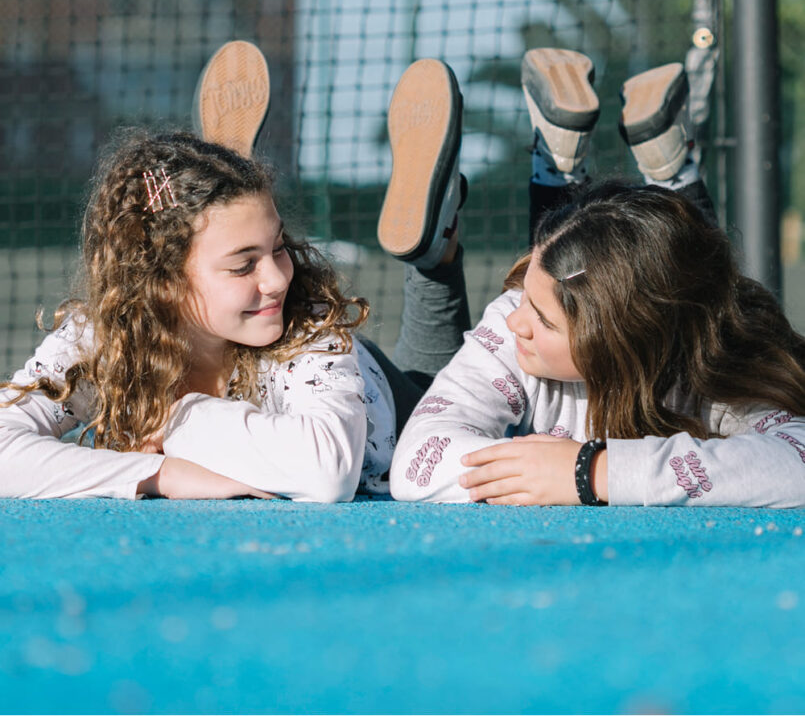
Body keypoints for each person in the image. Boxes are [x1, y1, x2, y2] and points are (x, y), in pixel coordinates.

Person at [0, 41, 429, 501]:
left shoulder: (308, 324)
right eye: (243, 264)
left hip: (415, 414)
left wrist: (175, 420)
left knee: (433, 380)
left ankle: (433, 256)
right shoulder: (102, 339)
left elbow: (328, 473)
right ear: (162, 281)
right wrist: (160, 474)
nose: (278, 279)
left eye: (279, 248)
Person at [384, 48, 805, 507]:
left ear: (620, 336)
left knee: (688, 267)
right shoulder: (509, 326)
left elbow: (796, 462)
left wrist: (590, 471)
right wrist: (540, 469)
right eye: (525, 296)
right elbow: (417, 463)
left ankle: (570, 163)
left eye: (544, 321)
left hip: (698, 317)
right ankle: (655, 170)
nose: (516, 322)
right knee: (645, 258)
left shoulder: (715, 365)